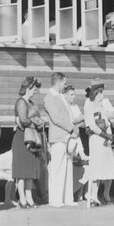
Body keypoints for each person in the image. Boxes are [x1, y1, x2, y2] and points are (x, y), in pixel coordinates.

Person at [83, 80, 114, 206]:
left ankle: (106, 194)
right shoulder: (89, 106)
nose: (102, 96)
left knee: (107, 167)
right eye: (100, 93)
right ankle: (92, 196)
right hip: (96, 140)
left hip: (105, 141)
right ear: (96, 94)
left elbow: (107, 122)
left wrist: (109, 136)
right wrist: (104, 134)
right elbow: (91, 126)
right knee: (96, 167)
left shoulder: (102, 107)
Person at [44, 72, 77, 208]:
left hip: (67, 137)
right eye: (64, 83)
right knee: (57, 169)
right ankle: (55, 199)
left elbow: (68, 115)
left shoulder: (61, 97)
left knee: (68, 168)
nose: (65, 85)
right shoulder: (49, 97)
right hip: (58, 137)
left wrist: (74, 128)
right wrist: (71, 128)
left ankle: (67, 198)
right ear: (58, 83)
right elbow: (56, 118)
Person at [12, 77, 44, 209]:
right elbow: (24, 120)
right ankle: (22, 199)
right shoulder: (21, 102)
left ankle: (29, 198)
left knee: (30, 170)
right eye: (34, 89)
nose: (35, 92)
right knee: (22, 171)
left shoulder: (29, 102)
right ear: (28, 88)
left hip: (32, 136)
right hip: (22, 138)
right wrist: (38, 121)